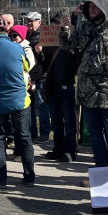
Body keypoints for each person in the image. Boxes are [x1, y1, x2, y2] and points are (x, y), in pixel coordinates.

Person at [59, 0, 108, 174]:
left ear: (104, 6)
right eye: (89, 8)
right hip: (87, 89)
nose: (92, 10)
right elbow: (69, 45)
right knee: (94, 133)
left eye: (95, 7)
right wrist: (65, 30)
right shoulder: (84, 26)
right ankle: (102, 170)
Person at [0, 15, 35, 188]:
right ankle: (29, 178)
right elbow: (26, 66)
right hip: (20, 99)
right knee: (24, 138)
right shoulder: (17, 48)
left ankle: (0, 179)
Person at [43, 12, 79, 163]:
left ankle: (70, 150)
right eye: (53, 23)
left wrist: (71, 52)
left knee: (69, 120)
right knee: (56, 120)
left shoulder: (69, 43)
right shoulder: (48, 44)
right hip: (52, 85)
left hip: (65, 84)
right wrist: (39, 53)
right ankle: (58, 148)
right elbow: (43, 66)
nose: (54, 26)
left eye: (57, 24)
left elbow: (75, 64)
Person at [23, 11, 50, 141]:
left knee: (42, 104)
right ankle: (32, 132)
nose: (29, 23)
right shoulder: (25, 35)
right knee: (30, 105)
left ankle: (44, 134)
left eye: (32, 21)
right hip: (29, 75)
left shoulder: (44, 36)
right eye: (28, 20)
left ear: (39, 22)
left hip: (41, 75)